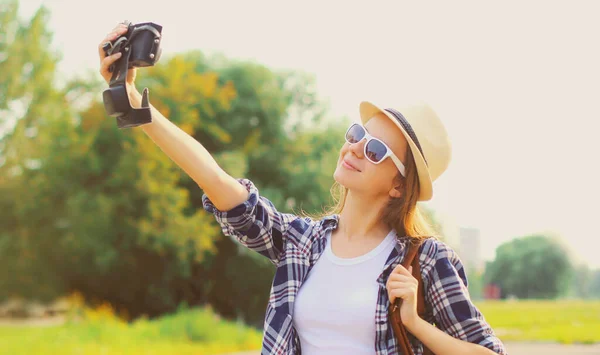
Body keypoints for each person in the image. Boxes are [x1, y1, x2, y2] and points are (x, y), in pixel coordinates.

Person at [98, 23, 507, 355]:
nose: (356, 147)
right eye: (358, 133)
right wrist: (136, 106)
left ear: (400, 186)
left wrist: (417, 324)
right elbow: (217, 180)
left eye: (377, 149)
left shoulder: (426, 259)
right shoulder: (300, 243)